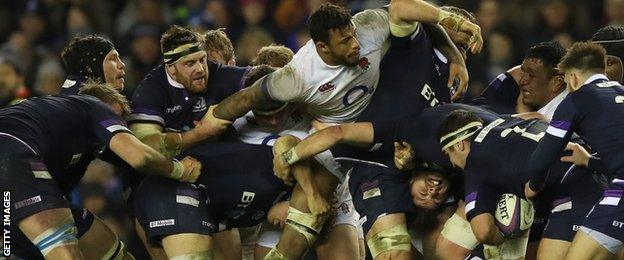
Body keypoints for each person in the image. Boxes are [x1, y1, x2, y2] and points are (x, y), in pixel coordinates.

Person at [212, 2, 483, 258]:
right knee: (308, 218)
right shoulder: (413, 42)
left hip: (393, 161)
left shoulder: (455, 86)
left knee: (410, 245)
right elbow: (403, 7)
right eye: (461, 43)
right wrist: (209, 123)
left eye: (468, 49)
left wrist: (415, 163)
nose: (464, 52)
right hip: (358, 141)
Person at [0, 81, 201, 259]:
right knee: (63, 250)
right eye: (122, 121)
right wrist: (180, 169)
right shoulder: (93, 105)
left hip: (12, 185)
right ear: (116, 106)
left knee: (101, 243)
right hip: (11, 156)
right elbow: (141, 157)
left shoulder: (57, 130)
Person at [127, 24, 250, 259]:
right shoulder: (150, 91)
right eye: (190, 63)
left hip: (217, 180)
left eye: (202, 60)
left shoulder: (217, 73)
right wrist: (200, 133)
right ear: (171, 70)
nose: (201, 69)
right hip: (164, 183)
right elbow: (143, 149)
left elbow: (260, 78)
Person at [438, 109, 605, 259]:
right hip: (596, 164)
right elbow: (539, 116)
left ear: (459, 145)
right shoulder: (504, 120)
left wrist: (502, 236)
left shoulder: (474, 165)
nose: (452, 163)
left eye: (448, 155)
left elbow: (483, 231)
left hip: (571, 189)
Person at [526, 42, 624, 259]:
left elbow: (542, 159)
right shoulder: (620, 92)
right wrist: (590, 161)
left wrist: (533, 185)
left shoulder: (576, 100)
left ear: (574, 78)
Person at [134, 141, 294, 260]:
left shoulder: (258, 215)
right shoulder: (281, 176)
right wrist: (310, 188)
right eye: (298, 216)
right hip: (173, 188)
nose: (289, 224)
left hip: (162, 205)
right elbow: (288, 142)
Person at [471, 41, 567, 119]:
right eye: (523, 72)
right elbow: (479, 107)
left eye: (532, 75)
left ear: (557, 82)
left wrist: (524, 117)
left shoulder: (565, 116)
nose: (522, 81)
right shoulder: (516, 77)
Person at [59, 35, 126, 94]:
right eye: (113, 59)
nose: (122, 64)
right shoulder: (89, 105)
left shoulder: (67, 98)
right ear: (92, 68)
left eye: (118, 58)